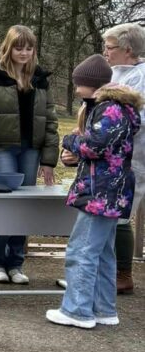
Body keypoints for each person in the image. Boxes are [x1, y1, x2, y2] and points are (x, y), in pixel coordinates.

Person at [46, 55, 141, 328]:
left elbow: (94, 146)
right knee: (102, 253)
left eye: (79, 84)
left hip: (102, 192)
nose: (76, 89)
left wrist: (71, 140)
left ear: (94, 84)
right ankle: (104, 309)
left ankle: (77, 310)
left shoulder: (109, 109)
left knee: (81, 250)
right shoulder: (117, 108)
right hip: (110, 191)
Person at [0, 26, 59, 285]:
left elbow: (51, 121)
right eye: (19, 47)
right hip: (2, 149)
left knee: (25, 205)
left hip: (31, 149)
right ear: (8, 47)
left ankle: (16, 263)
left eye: (29, 47)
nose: (24, 52)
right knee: (6, 204)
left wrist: (48, 160)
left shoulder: (41, 79)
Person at [102, 23, 145, 295]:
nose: (105, 52)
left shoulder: (140, 78)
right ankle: (106, 270)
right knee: (108, 215)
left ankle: (122, 274)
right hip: (109, 154)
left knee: (120, 215)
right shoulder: (114, 73)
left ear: (127, 50)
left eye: (109, 47)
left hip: (132, 157)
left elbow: (136, 120)